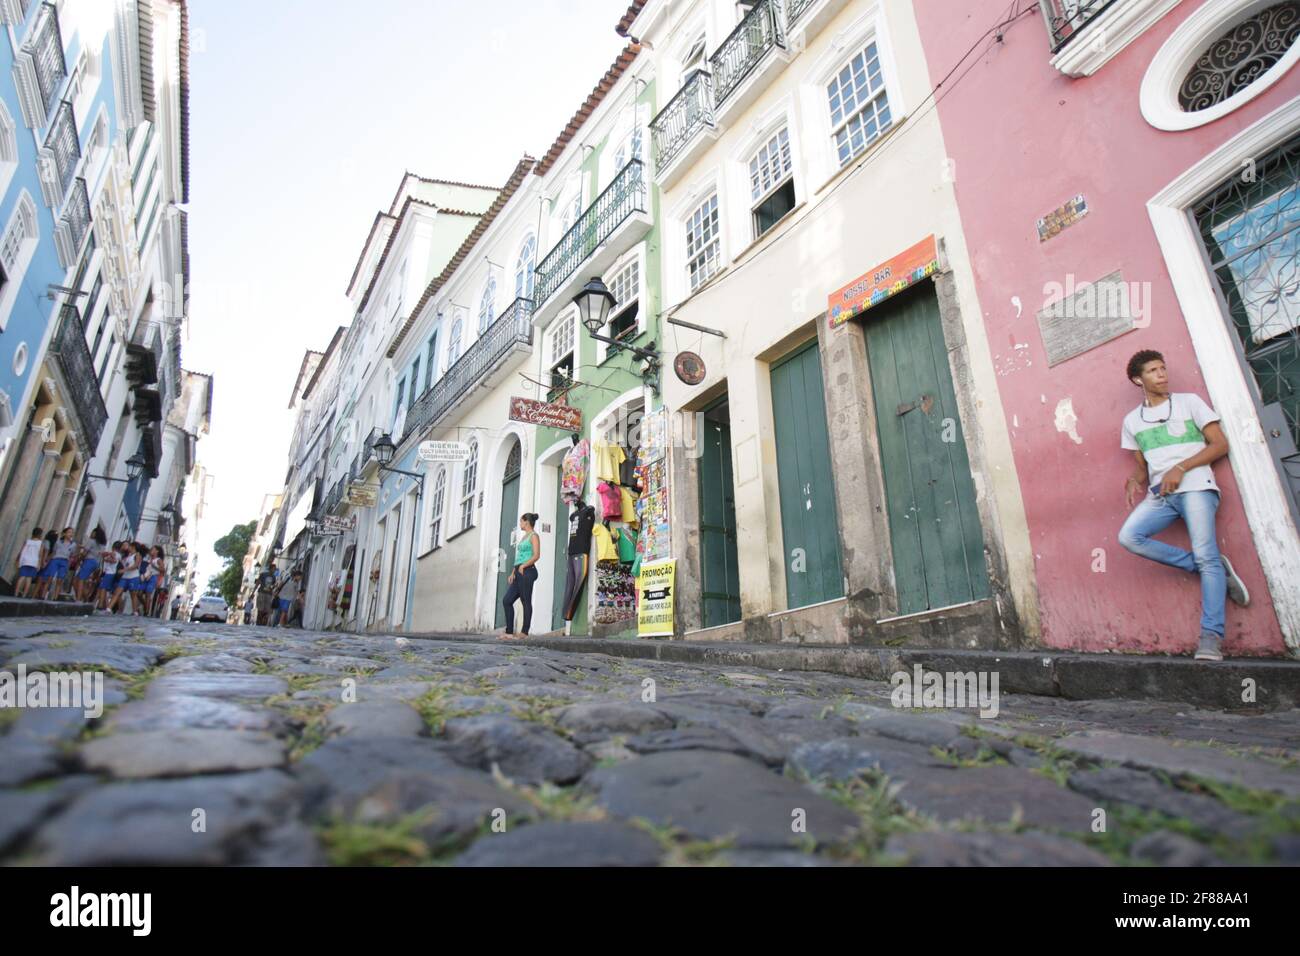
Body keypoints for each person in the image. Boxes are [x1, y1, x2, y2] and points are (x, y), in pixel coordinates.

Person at [1118, 350, 1250, 663]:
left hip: (1196, 488)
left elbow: (1219, 444)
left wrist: (1181, 468)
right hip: (1161, 495)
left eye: (1163, 368)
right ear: (1139, 379)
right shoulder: (1132, 421)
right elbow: (1143, 459)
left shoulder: (1190, 402)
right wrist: (1135, 477)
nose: (1162, 374)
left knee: (1207, 555)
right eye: (1153, 370)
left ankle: (1211, 637)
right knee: (1129, 537)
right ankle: (1211, 567)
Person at [501, 513, 541, 640]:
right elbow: (519, 557)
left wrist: (523, 566)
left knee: (525, 601)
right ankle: (509, 632)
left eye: (521, 522)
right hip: (519, 571)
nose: (520, 524)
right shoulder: (524, 537)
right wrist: (513, 572)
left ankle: (524, 632)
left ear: (526, 522)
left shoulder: (534, 536)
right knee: (507, 600)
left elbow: (536, 555)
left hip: (528, 571)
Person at [75, 528, 107, 603]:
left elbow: (85, 552)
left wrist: (79, 559)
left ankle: (78, 599)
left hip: (89, 561)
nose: (91, 533)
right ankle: (85, 597)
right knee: (78, 579)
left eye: (92, 532)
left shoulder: (91, 541)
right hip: (96, 563)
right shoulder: (102, 545)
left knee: (81, 579)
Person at [111, 542, 142, 615]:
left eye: (130, 546)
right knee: (117, 592)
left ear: (133, 547)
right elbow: (124, 563)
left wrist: (124, 570)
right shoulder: (128, 556)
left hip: (133, 577)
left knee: (133, 595)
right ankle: (109, 608)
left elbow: (136, 565)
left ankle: (135, 611)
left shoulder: (137, 555)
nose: (128, 548)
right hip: (125, 576)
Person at [13, 527, 44, 598]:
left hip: (25, 561)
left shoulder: (27, 541)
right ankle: (24, 595)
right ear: (40, 535)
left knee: (22, 577)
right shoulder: (40, 543)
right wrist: (39, 564)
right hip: (33, 562)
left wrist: (18, 560)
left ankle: (16, 593)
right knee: (29, 578)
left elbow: (21, 551)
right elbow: (40, 555)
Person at [97, 541, 121, 612]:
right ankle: (104, 604)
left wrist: (108, 558)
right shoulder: (117, 554)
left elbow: (113, 561)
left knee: (103, 588)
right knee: (103, 588)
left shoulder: (115, 554)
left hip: (110, 572)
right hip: (109, 572)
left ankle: (100, 605)